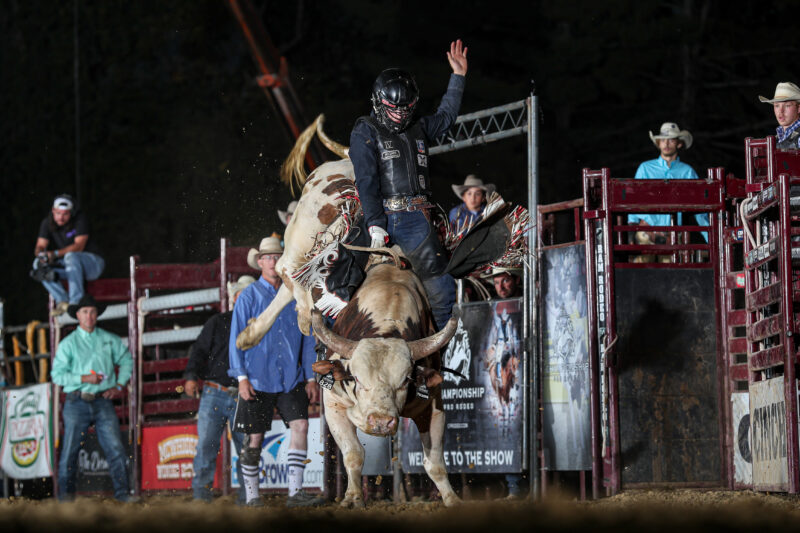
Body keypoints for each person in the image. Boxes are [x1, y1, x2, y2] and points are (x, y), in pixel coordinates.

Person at [349, 39, 468, 331]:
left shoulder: (419, 128)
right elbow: (366, 180)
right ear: (379, 102)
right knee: (339, 282)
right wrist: (375, 224)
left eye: (406, 108)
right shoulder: (365, 130)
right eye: (394, 108)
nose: (401, 114)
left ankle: (436, 353)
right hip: (382, 216)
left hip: (417, 219)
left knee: (443, 292)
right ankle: (325, 351)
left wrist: (458, 76)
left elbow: (446, 117)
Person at [229, 236, 322, 507]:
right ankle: (252, 497)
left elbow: (307, 337)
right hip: (257, 378)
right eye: (267, 257)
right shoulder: (248, 296)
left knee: (301, 425)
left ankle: (295, 493)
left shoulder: (295, 294)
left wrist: (310, 376)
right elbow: (236, 339)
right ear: (259, 262)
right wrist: (242, 378)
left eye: (276, 257)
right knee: (255, 436)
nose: (272, 262)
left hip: (290, 377)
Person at [51, 294, 134, 502]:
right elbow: (57, 375)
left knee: (115, 448)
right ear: (78, 316)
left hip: (102, 399)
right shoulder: (68, 344)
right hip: (77, 400)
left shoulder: (108, 339)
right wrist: (83, 378)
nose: (89, 316)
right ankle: (65, 498)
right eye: (85, 312)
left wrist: (119, 385)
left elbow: (127, 360)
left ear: (97, 315)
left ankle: (123, 494)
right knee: (70, 451)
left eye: (92, 312)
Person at [184, 274, 256, 502]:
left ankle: (246, 498)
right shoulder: (218, 322)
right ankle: (202, 496)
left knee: (244, 449)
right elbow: (198, 350)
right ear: (235, 298)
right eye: (241, 295)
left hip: (240, 394)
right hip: (217, 391)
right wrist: (191, 376)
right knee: (207, 446)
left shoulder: (260, 326)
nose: (245, 299)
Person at [627, 123, 709, 250]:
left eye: (671, 140)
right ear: (659, 143)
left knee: (671, 262)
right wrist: (632, 227)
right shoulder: (645, 168)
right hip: (647, 232)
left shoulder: (687, 172)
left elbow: (699, 207)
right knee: (642, 261)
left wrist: (708, 236)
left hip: (674, 234)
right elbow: (634, 198)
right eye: (663, 140)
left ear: (679, 144)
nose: (666, 144)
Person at [32, 194, 105, 317]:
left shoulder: (80, 219)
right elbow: (40, 245)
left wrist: (54, 254)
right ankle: (62, 301)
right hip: (71, 268)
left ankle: (75, 302)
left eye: (65, 214)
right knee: (37, 264)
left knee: (71, 256)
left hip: (93, 264)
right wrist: (42, 255)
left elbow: (79, 246)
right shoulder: (47, 222)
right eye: (58, 213)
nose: (61, 217)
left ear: (71, 213)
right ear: (53, 211)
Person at [487, 267, 525, 499]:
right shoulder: (494, 308)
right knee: (506, 423)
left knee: (514, 422)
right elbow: (491, 344)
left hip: (521, 374)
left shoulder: (525, 304)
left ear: (516, 280)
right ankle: (513, 485)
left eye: (505, 281)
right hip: (503, 373)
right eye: (497, 282)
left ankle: (518, 485)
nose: (500, 287)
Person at [759, 81, 800, 150]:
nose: (781, 111)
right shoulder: (776, 139)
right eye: (777, 106)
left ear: (798, 108)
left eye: (787, 105)